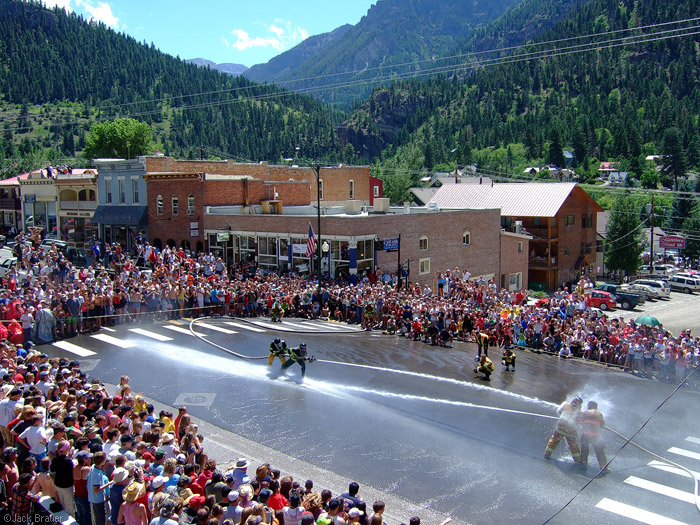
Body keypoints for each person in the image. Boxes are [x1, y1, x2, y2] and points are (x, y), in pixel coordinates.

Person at [544, 396, 583, 464]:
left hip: (561, 427)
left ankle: (547, 455)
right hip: (571, 431)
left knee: (554, 440)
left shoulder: (565, 405)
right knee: (573, 445)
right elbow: (580, 422)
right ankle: (578, 460)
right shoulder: (580, 412)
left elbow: (559, 411)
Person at [579, 401, 608, 471]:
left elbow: (580, 421)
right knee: (600, 451)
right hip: (596, 436)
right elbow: (602, 424)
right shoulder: (599, 414)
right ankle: (603, 466)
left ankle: (583, 462)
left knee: (584, 449)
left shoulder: (585, 412)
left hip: (586, 434)